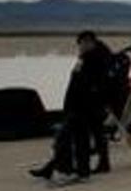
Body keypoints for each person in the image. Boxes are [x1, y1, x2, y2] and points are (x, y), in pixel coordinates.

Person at [31, 31, 114, 183]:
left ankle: (65, 171)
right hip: (82, 107)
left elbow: (87, 86)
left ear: (89, 43)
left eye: (81, 44)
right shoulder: (91, 59)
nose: (79, 47)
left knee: (64, 139)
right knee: (79, 140)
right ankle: (81, 172)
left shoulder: (93, 61)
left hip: (82, 108)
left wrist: (82, 105)